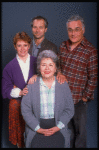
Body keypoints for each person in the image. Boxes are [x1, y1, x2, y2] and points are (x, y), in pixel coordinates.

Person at [58, 15, 98, 148]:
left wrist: (85, 97)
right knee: (66, 131)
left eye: (77, 29)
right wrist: (58, 72)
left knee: (80, 132)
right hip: (63, 98)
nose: (73, 33)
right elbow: (57, 65)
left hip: (79, 100)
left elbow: (94, 77)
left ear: (83, 30)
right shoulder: (63, 46)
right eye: (70, 30)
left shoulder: (90, 51)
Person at [21, 50, 74, 148]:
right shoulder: (31, 85)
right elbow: (26, 110)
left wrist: (58, 127)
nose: (47, 68)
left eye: (50, 65)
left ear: (55, 69)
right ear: (39, 68)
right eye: (43, 65)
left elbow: (69, 109)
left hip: (58, 126)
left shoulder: (63, 84)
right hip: (37, 127)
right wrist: (38, 129)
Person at [2, 31, 37, 148]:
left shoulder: (37, 62)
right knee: (21, 134)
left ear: (29, 46)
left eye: (25, 45)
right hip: (19, 104)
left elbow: (47, 77)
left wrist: (37, 76)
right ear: (15, 46)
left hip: (36, 102)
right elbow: (5, 90)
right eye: (19, 45)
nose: (22, 49)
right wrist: (20, 92)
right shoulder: (9, 67)